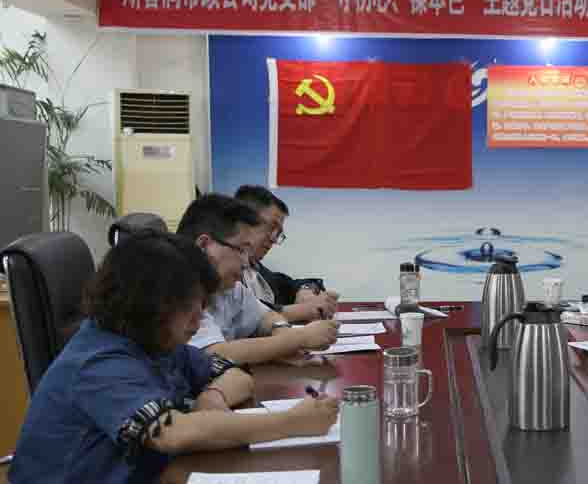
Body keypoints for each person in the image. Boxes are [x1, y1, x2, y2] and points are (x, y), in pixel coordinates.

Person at [8, 232, 340, 484]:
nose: (198, 320)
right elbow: (173, 433)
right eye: (189, 308)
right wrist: (291, 423)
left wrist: (213, 395)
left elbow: (236, 375)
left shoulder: (156, 343)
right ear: (148, 305)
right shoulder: (98, 363)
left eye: (202, 306)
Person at [177, 194, 339, 366]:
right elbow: (213, 354)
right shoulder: (175, 289)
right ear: (204, 245)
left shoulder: (227, 287)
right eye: (241, 250)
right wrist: (299, 339)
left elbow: (265, 316)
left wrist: (282, 336)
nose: (246, 263)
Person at [234, 184, 339, 320]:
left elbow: (293, 284)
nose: (273, 239)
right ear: (243, 221)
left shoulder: (257, 270)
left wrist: (305, 292)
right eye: (271, 227)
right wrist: (301, 310)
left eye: (278, 233)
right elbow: (239, 311)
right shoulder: (221, 273)